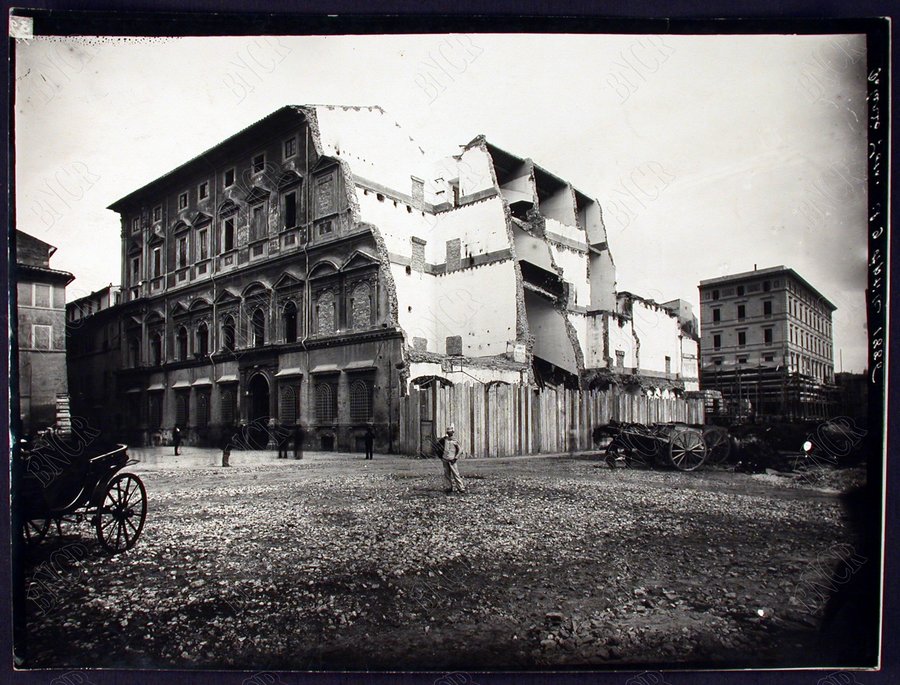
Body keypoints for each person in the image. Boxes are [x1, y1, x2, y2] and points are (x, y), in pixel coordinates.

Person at [434, 423, 465, 494]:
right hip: (445, 459)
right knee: (447, 474)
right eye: (448, 432)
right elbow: (438, 446)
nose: (449, 433)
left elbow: (460, 450)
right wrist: (440, 456)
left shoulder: (455, 440)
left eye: (450, 432)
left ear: (453, 432)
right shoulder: (445, 439)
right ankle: (449, 487)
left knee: (456, 474)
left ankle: (461, 488)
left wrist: (456, 458)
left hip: (452, 460)